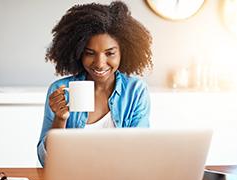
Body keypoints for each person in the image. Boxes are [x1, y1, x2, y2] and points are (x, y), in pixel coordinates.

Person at [37, 1, 153, 166]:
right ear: (78, 52)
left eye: (110, 53)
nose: (99, 63)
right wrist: (60, 119)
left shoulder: (135, 91)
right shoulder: (60, 90)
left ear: (123, 52)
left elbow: (141, 151)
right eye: (90, 53)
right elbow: (47, 162)